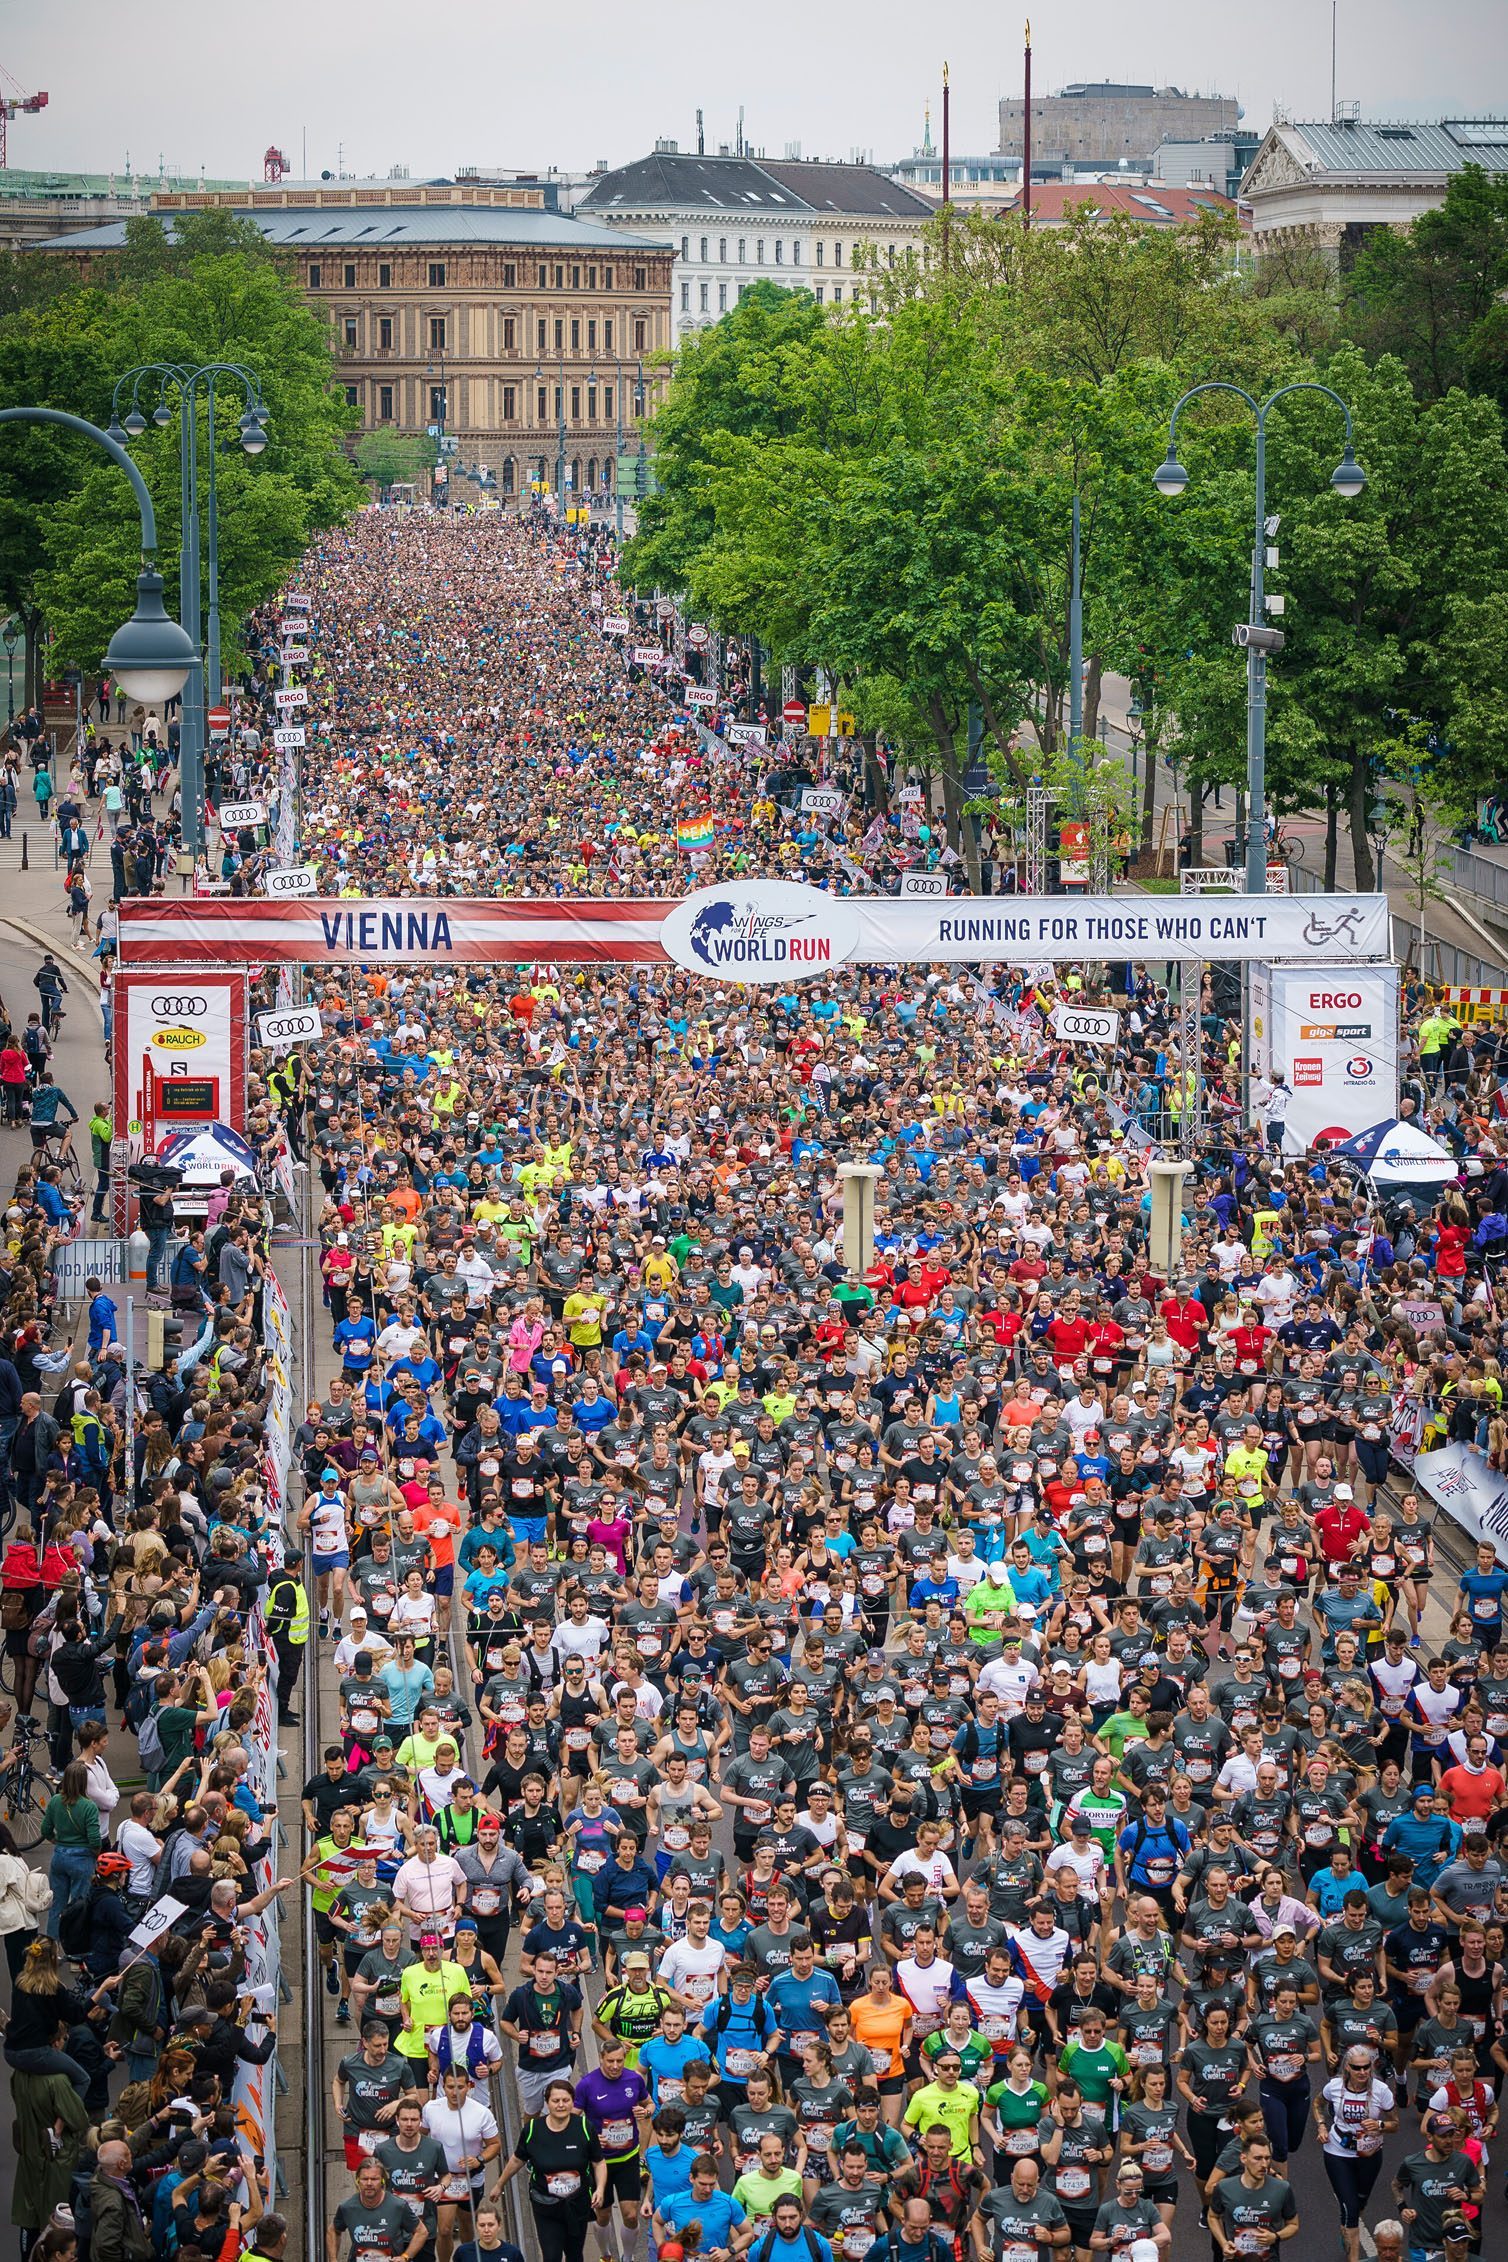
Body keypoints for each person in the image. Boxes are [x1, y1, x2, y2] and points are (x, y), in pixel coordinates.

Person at [493, 2074, 605, 2262]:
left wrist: (600, 2189)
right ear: (547, 2103)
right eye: (555, 2101)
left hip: (577, 2203)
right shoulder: (533, 2130)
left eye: (565, 2100)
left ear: (572, 2102)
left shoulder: (584, 2127)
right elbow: (517, 2160)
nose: (561, 2105)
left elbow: (598, 2162)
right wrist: (499, 2184)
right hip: (546, 2204)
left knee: (575, 2255)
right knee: (551, 2256)